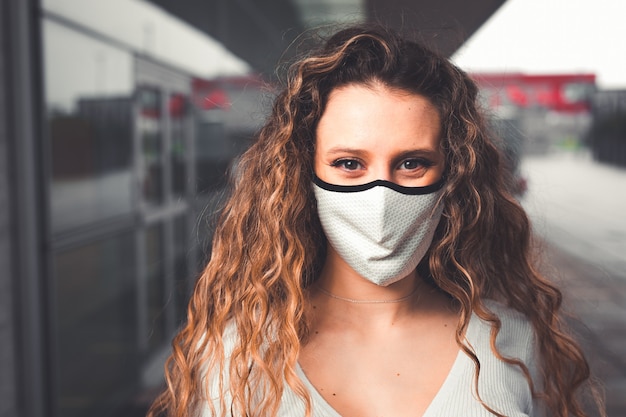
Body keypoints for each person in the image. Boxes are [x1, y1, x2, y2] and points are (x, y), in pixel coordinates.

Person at [148, 24, 604, 417]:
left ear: (453, 176)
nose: (381, 198)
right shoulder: (236, 354)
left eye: (411, 163)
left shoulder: (512, 343)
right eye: (349, 163)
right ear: (303, 172)